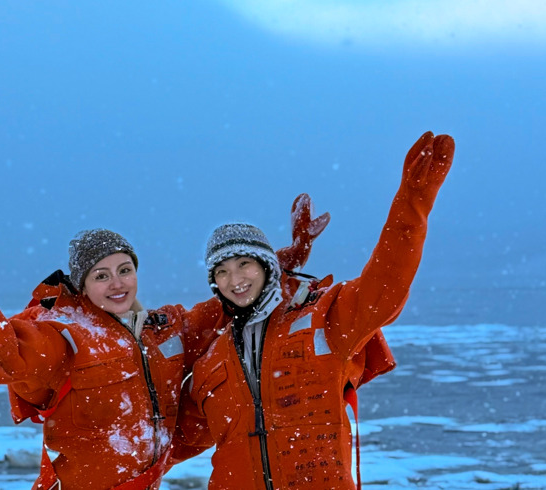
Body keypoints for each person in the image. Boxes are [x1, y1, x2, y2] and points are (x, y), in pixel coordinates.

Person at [0, 196, 329, 489]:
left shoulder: (163, 329)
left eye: (124, 270)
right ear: (82, 285)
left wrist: (281, 261)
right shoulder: (63, 334)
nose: (117, 283)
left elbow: (232, 299)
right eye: (101, 276)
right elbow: (3, 355)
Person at [188, 131, 455, 489]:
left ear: (266, 266)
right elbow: (165, 442)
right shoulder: (210, 360)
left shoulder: (323, 318)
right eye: (221, 271)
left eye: (244, 264)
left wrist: (413, 202)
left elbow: (386, 286)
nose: (234, 279)